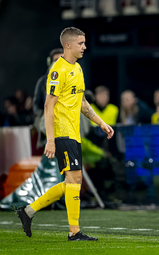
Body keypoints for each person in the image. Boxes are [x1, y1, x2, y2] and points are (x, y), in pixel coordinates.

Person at [14, 27, 114, 241]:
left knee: (72, 182)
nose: (85, 47)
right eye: (81, 43)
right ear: (67, 45)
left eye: (85, 42)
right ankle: (74, 231)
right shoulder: (57, 71)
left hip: (73, 132)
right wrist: (51, 139)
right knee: (75, 178)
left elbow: (83, 103)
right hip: (61, 132)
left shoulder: (77, 68)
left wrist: (101, 123)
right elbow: (49, 107)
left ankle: (28, 211)